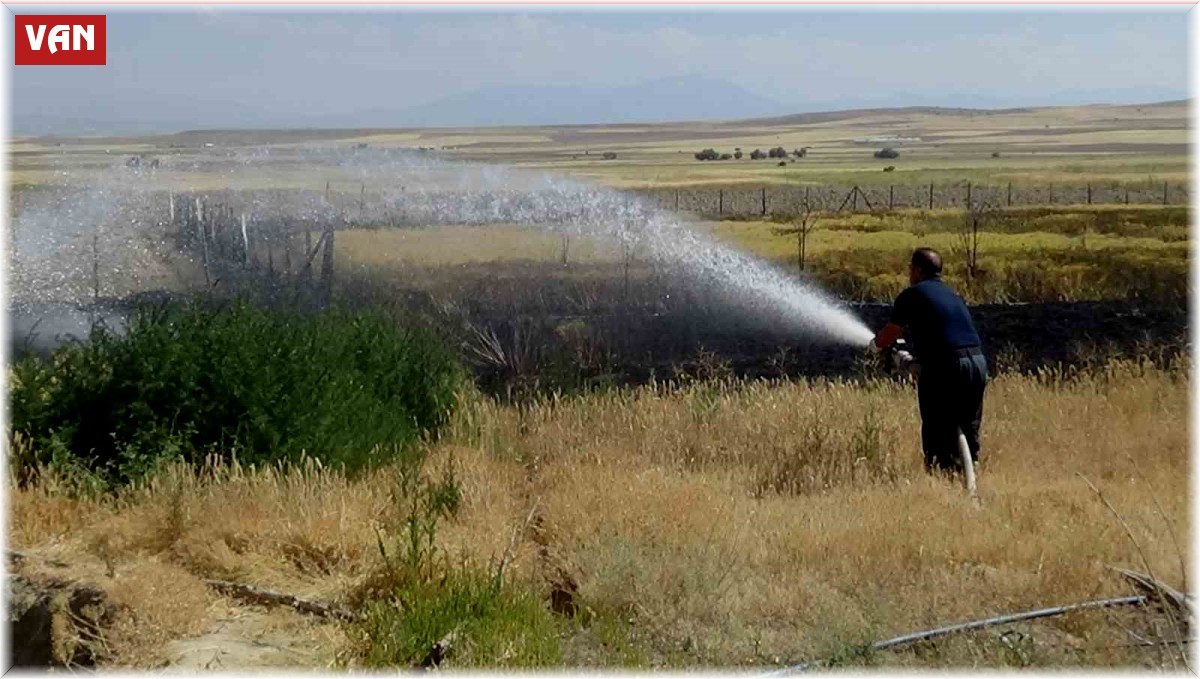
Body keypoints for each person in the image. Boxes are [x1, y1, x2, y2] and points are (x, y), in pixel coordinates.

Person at [868, 248, 988, 474]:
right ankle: (970, 478)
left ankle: (942, 481)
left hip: (948, 365)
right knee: (967, 430)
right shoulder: (954, 295)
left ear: (918, 270)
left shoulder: (912, 295)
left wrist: (876, 345)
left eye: (910, 268)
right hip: (977, 363)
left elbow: (890, 333)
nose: (909, 273)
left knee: (937, 432)